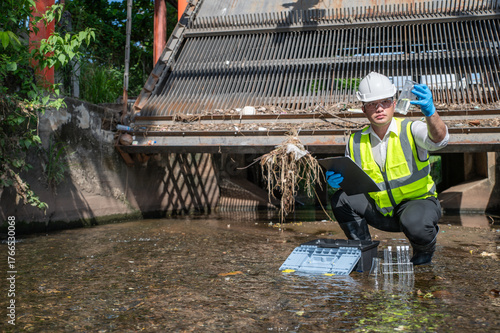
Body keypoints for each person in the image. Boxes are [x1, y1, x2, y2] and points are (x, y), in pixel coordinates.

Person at [326, 72, 449, 265]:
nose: (379, 108)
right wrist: (338, 182)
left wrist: (430, 112)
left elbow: (439, 140)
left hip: (416, 207)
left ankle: (423, 254)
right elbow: (354, 184)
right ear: (364, 109)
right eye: (372, 104)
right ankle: (363, 253)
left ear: (393, 103)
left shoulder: (412, 129)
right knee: (341, 199)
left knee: (416, 224)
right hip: (381, 212)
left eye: (385, 102)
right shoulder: (355, 141)